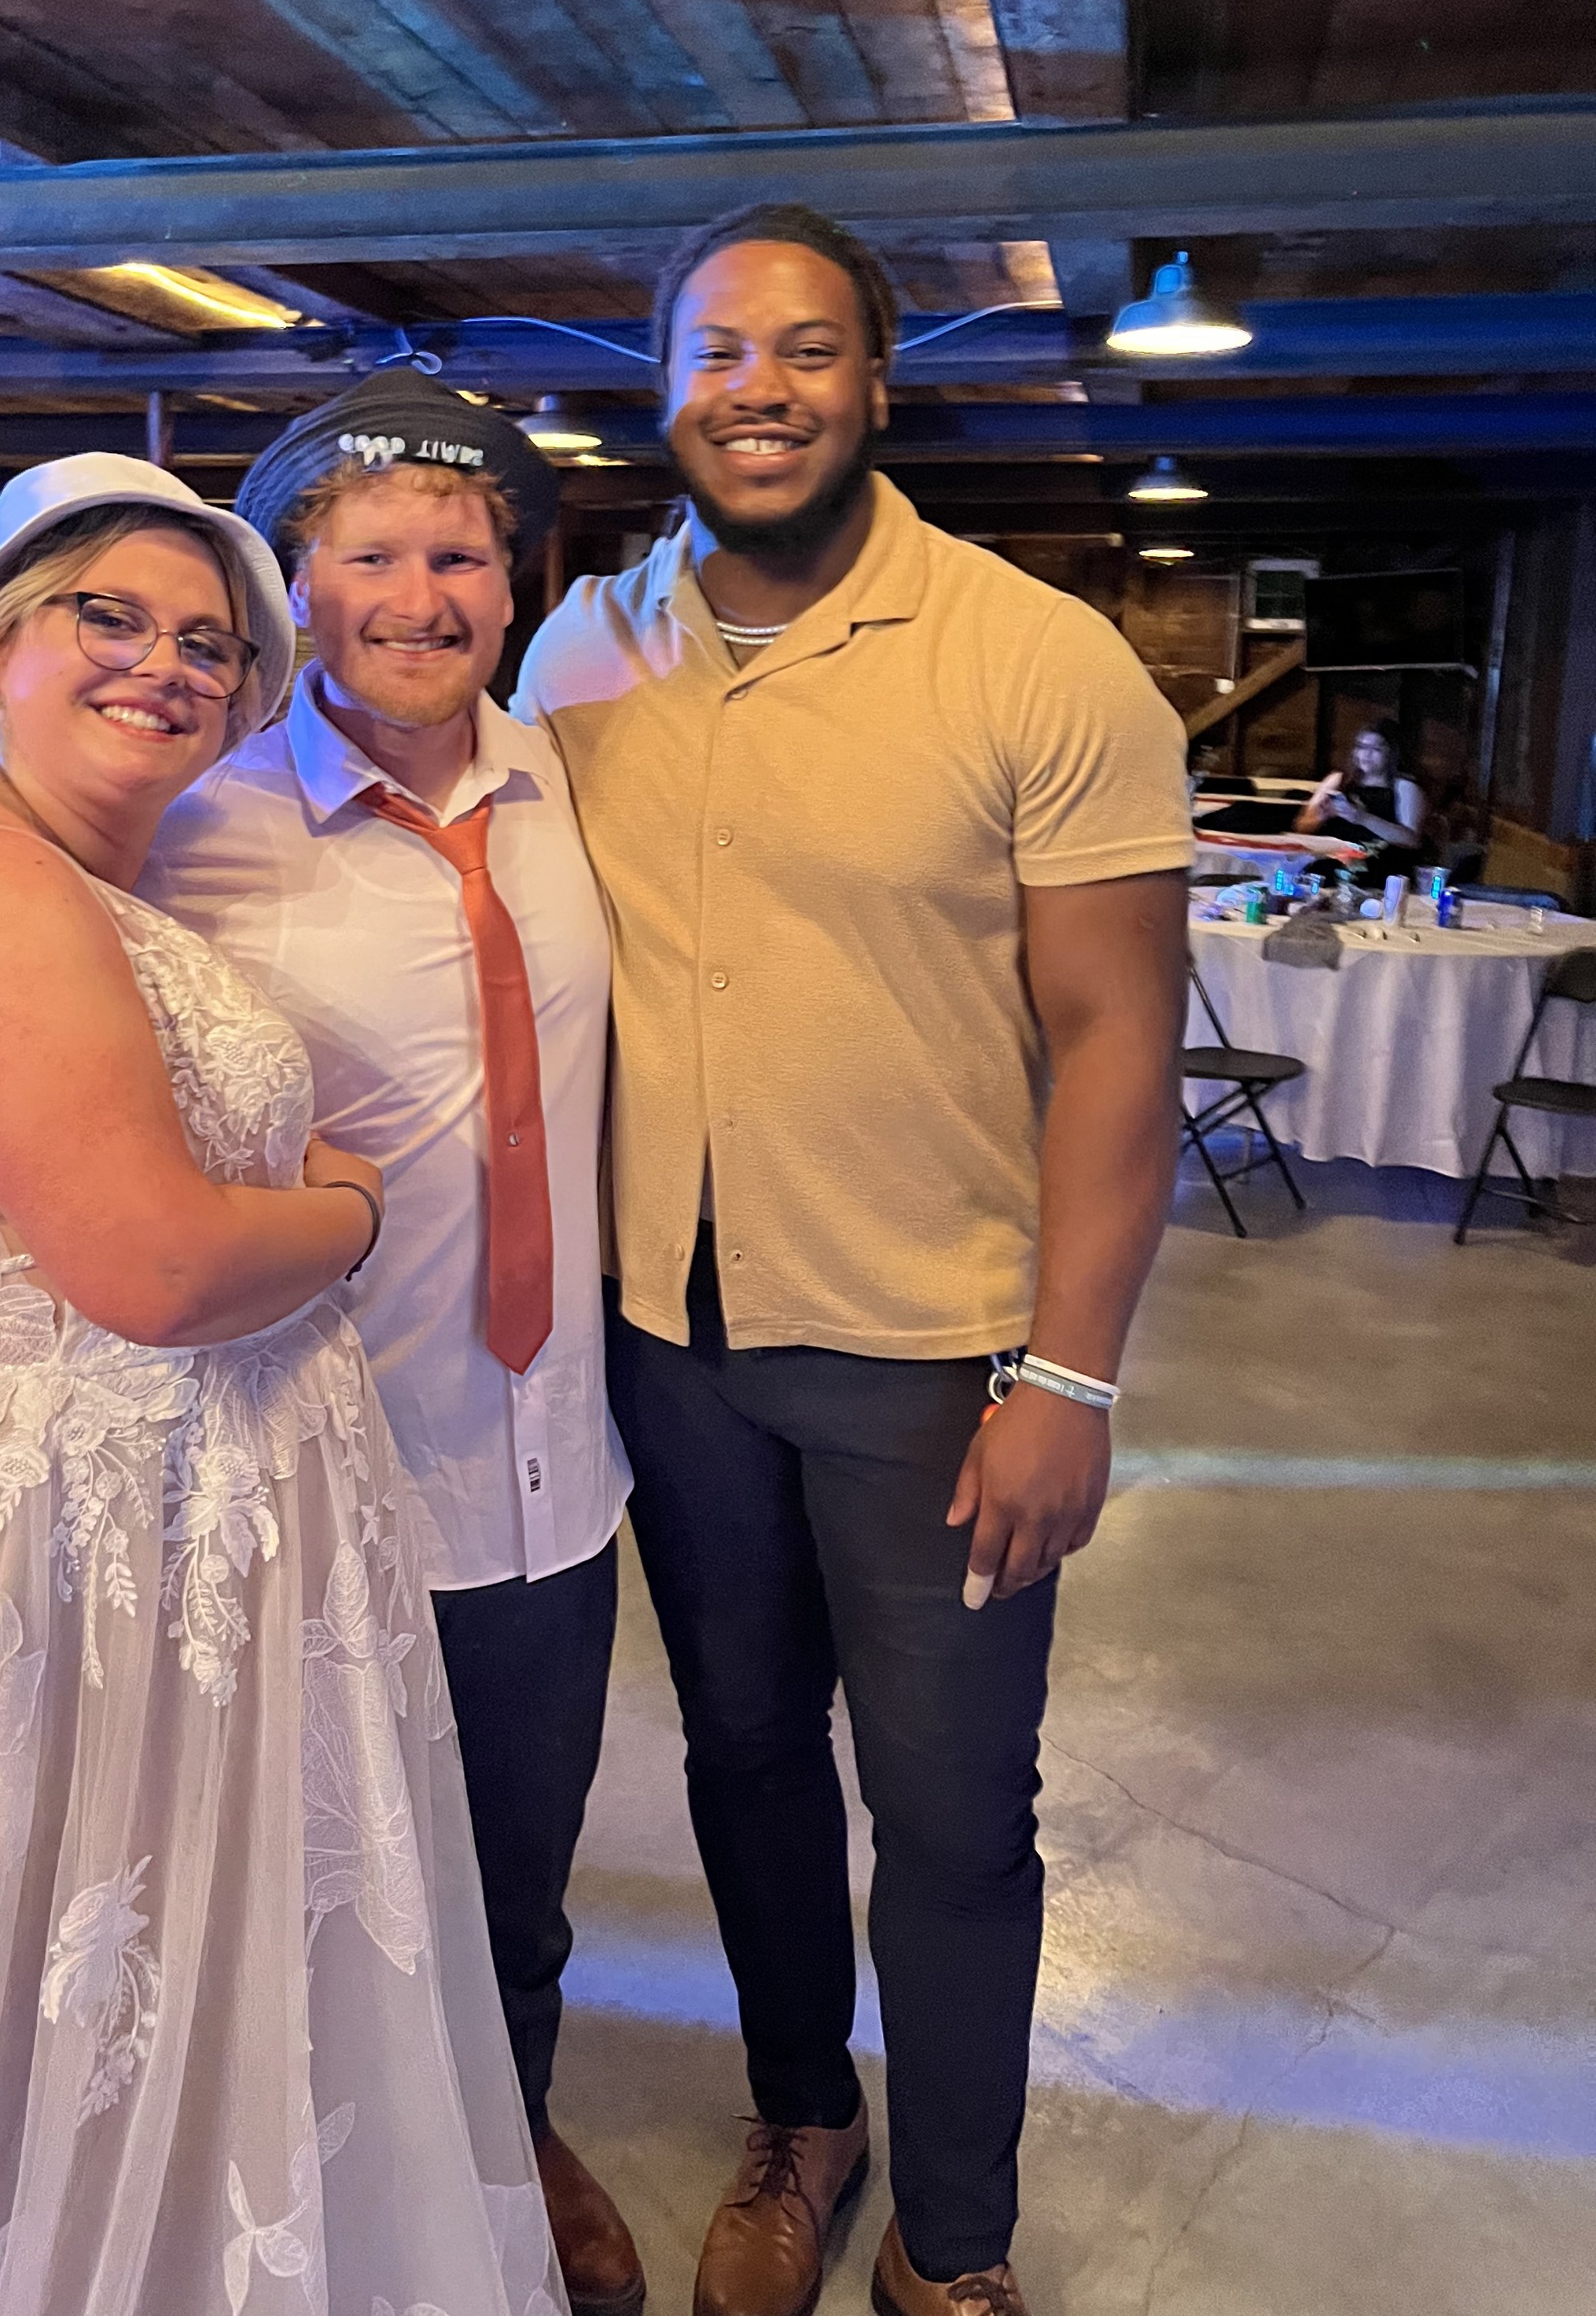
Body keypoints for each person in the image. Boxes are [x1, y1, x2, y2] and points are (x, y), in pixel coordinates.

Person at [0, 452, 561, 2316]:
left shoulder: (66, 870)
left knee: (94, 1987)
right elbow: (154, 1270)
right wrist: (354, 1207)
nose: (168, 665)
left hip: (145, 1523)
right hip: (68, 1533)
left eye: (208, 642)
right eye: (110, 619)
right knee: (18, 1990)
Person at [513, 204, 1193, 2316]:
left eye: (806, 349)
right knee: (738, 1756)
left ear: (876, 384)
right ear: (667, 382)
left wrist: (1067, 1376)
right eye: (719, 349)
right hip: (672, 1352)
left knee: (954, 1810)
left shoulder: (1031, 658)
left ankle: (954, 2240)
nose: (760, 388)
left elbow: (1117, 1036)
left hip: (934, 1355)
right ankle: (801, 2111)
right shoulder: (578, 655)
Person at [1296, 721, 1426, 882]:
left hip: (1380, 871)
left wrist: (1362, 818)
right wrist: (1319, 818)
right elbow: (1301, 826)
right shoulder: (1338, 780)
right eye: (1361, 747)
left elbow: (1411, 840)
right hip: (1328, 865)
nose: (1366, 755)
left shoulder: (1404, 787)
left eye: (1376, 749)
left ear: (1392, 753)